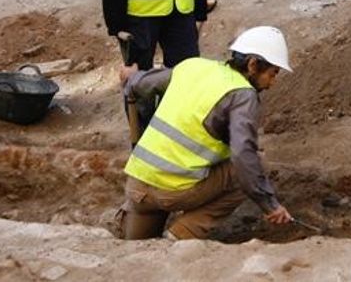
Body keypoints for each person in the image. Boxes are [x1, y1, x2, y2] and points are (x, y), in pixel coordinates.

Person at [118, 26, 294, 240]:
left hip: (138, 188)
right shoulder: (242, 95)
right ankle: (181, 234)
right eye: (272, 73)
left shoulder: (195, 67)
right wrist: (271, 206)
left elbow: (140, 84)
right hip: (173, 192)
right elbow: (243, 156)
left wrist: (131, 77)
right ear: (252, 64)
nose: (272, 83)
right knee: (253, 165)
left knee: (137, 248)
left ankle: (136, 235)